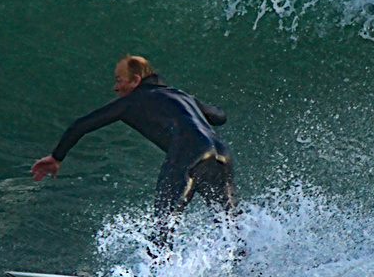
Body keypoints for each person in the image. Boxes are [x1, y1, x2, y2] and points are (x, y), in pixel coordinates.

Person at [31, 55, 235, 248]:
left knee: (164, 222)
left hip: (189, 152)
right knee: (229, 221)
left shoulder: (131, 102)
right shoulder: (181, 95)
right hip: (221, 154)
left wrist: (56, 157)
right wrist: (194, 103)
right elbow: (220, 117)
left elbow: (81, 125)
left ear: (136, 80)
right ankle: (250, 267)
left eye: (120, 80)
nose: (115, 87)